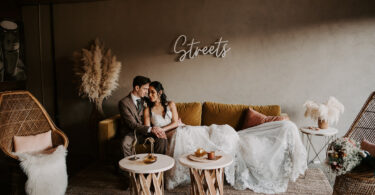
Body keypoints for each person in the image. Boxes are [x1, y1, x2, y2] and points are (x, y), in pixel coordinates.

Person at [144, 81, 308, 194]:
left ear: (160, 93)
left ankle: (229, 140)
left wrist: (161, 128)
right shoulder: (147, 109)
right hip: (175, 133)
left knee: (215, 134)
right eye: (148, 92)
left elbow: (175, 123)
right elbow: (147, 128)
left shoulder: (170, 104)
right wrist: (155, 129)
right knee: (198, 137)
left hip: (183, 129)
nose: (150, 95)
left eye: (153, 92)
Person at [118, 76, 168, 158]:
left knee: (161, 138)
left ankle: (157, 167)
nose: (147, 92)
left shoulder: (147, 100)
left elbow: (160, 104)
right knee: (125, 143)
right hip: (132, 133)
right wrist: (151, 129)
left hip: (147, 132)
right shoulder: (124, 103)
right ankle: (128, 170)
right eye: (145, 89)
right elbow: (132, 124)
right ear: (137, 88)